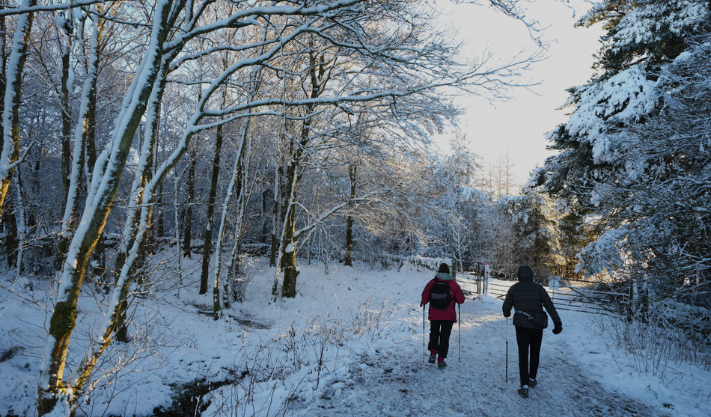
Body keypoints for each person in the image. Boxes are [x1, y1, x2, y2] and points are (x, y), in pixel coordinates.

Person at [502, 265, 562, 398]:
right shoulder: (539, 288)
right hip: (537, 325)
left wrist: (506, 312)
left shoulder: (514, 288)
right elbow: (549, 305)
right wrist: (557, 322)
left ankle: (524, 385)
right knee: (535, 352)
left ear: (519, 275)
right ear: (531, 275)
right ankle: (532, 379)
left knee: (523, 354)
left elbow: (506, 306)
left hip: (521, 326)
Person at [420, 263, 465, 369]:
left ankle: (433, 353)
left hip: (435, 314)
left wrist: (424, 302)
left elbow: (424, 297)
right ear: (449, 272)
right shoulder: (453, 284)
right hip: (448, 316)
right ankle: (441, 361)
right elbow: (461, 300)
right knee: (445, 337)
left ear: (439, 271)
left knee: (434, 333)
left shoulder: (432, 283)